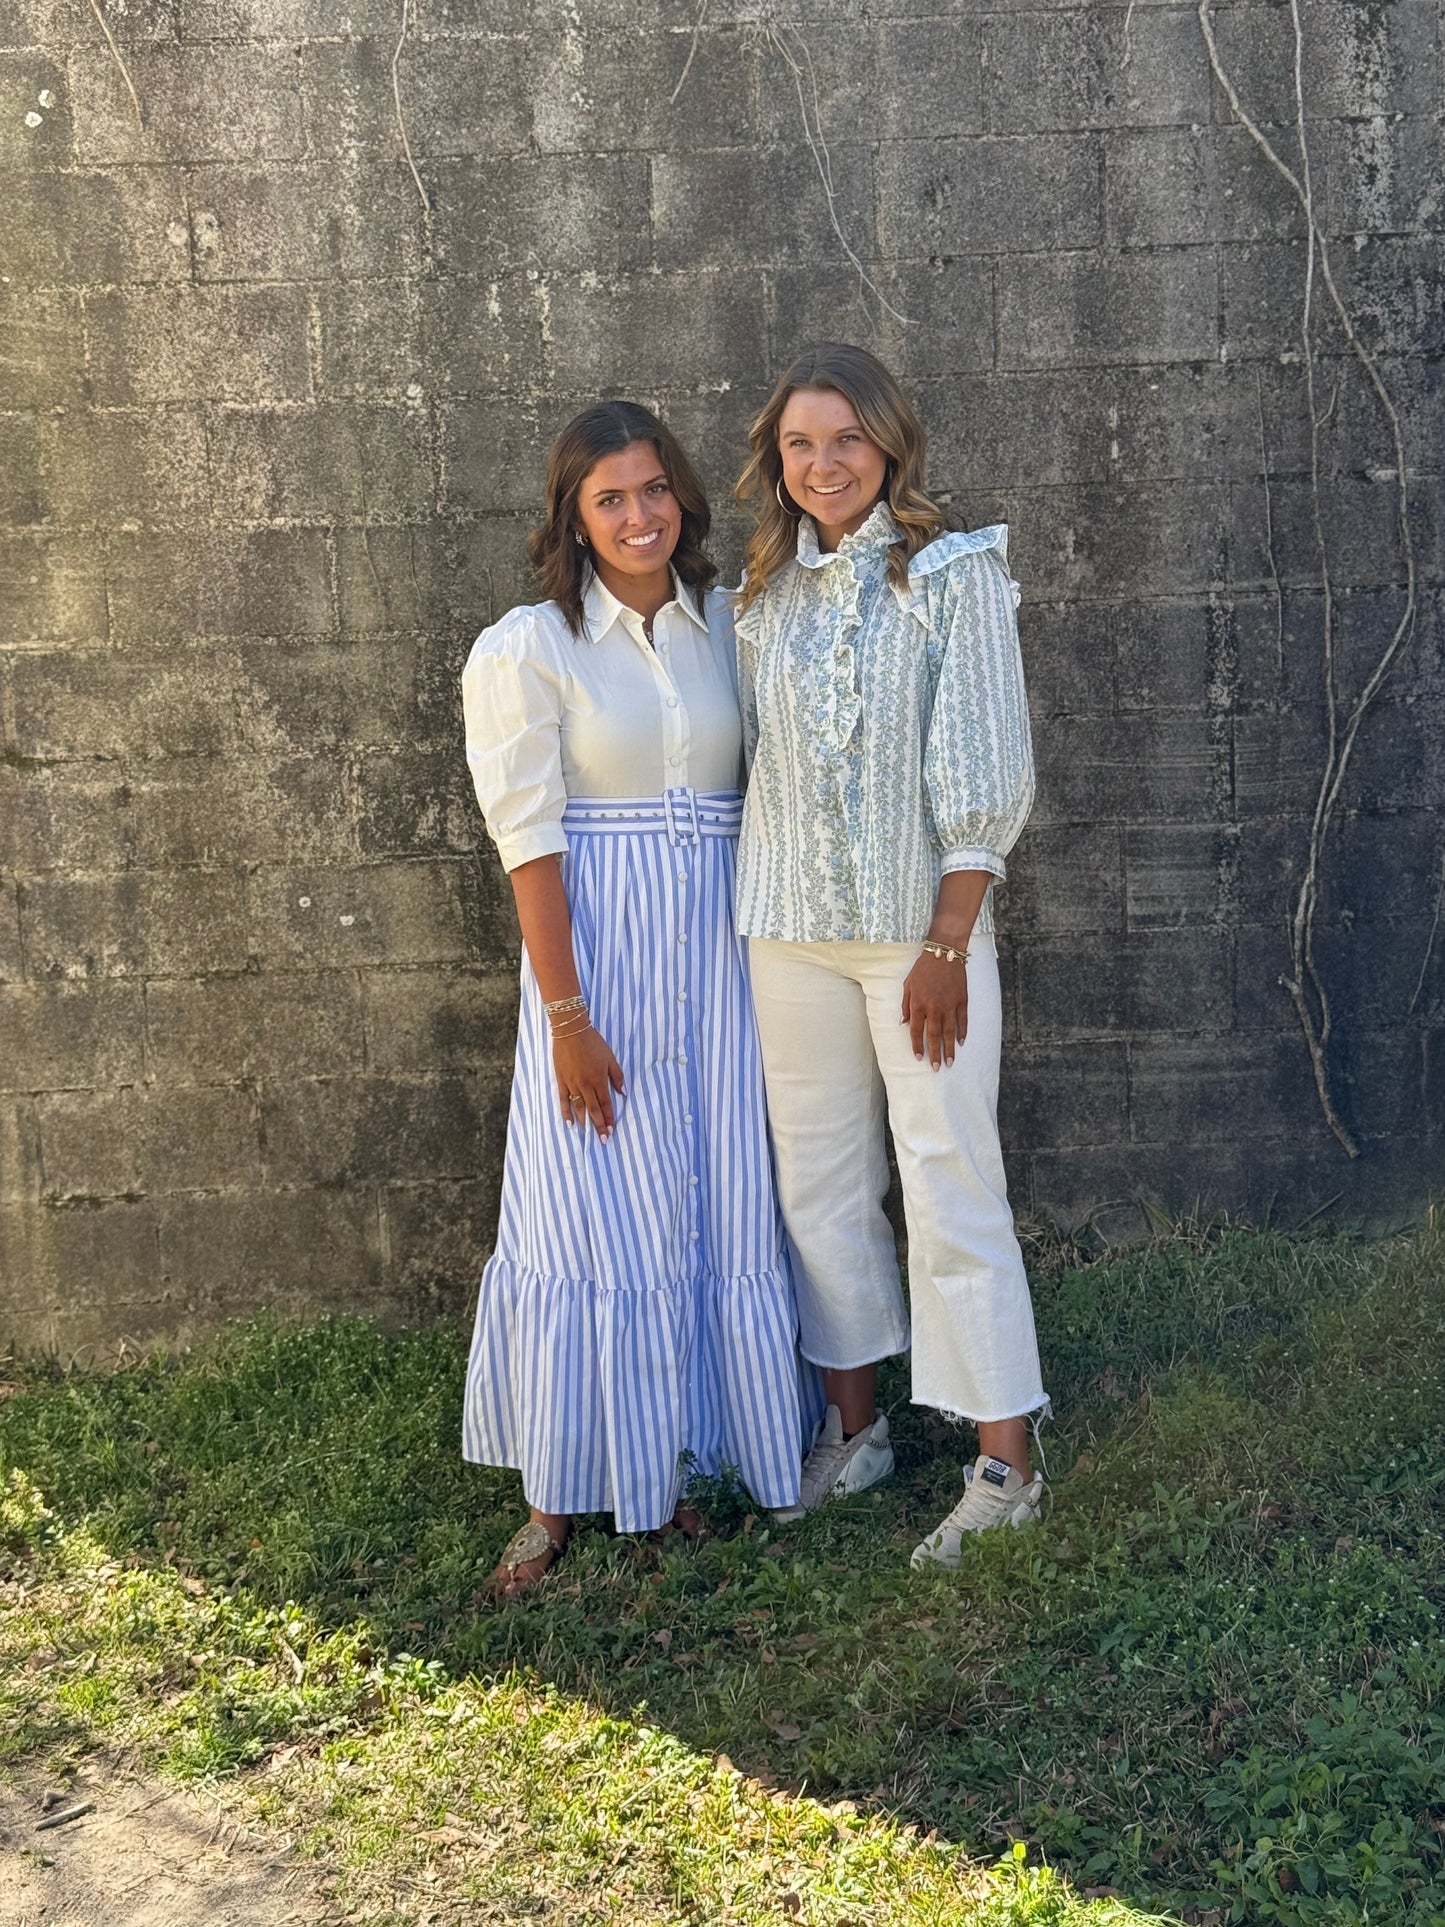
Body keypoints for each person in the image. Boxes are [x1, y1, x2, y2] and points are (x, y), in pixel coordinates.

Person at [460, 400, 815, 1599]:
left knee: (707, 1197)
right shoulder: (532, 647)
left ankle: (695, 1464)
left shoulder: (730, 622)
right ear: (572, 514)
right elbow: (530, 845)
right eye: (608, 497)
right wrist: (566, 1018)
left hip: (717, 968)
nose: (637, 515)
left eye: (653, 489)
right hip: (597, 970)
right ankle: (557, 1498)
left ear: (684, 497)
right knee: (584, 1204)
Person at [732, 343, 1048, 1568]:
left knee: (948, 1179)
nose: (823, 464)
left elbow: (983, 776)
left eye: (846, 441)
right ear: (777, 458)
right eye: (800, 444)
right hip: (784, 935)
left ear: (889, 447)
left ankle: (1004, 1463)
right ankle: (853, 1431)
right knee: (815, 1186)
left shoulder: (949, 577)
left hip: (917, 940)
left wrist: (946, 940)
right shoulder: (760, 597)